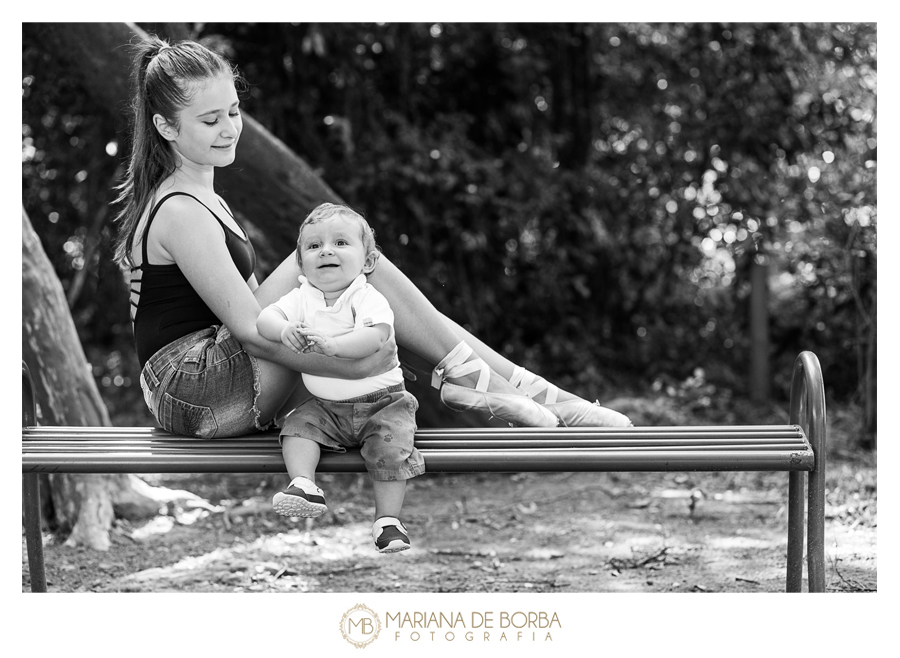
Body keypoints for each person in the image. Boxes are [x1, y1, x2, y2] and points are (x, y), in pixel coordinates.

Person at [115, 37, 629, 453]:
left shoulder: (204, 196)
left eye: (233, 111)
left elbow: (264, 319)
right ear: (165, 126)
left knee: (344, 266)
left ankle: (515, 390)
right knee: (342, 253)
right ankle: (520, 390)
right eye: (210, 121)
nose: (229, 129)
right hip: (193, 390)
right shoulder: (181, 209)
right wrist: (359, 364)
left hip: (211, 384)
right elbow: (251, 332)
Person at [256, 203, 421, 552]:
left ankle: (388, 521)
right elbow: (263, 320)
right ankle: (304, 485)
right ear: (301, 264)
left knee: (390, 449)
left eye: (341, 243)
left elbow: (375, 337)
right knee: (296, 427)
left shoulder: (366, 296)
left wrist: (334, 345)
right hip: (326, 408)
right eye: (314, 246)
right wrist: (284, 328)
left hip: (383, 404)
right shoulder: (301, 297)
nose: (326, 250)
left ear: (368, 261)